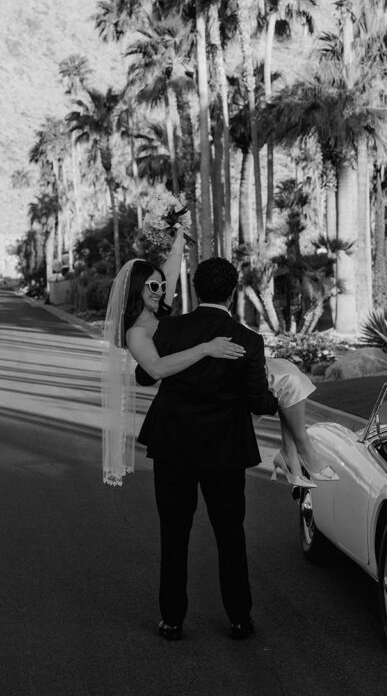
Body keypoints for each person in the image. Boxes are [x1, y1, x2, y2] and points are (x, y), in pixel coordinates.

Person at [102, 228, 333, 490]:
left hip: (208, 370)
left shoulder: (161, 314)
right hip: (196, 386)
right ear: (136, 289)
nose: (160, 290)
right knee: (289, 380)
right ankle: (298, 451)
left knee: (291, 377)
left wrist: (177, 242)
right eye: (153, 286)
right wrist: (206, 348)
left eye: (161, 286)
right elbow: (154, 369)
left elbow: (170, 273)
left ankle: (291, 453)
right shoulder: (136, 332)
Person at [134, 256, 279, 641]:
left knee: (173, 533)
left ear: (197, 289)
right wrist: (277, 398)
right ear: (233, 292)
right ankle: (239, 618)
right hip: (224, 452)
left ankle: (171, 620)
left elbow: (144, 376)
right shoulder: (248, 340)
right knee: (230, 534)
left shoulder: (170, 328)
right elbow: (257, 401)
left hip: (173, 447)